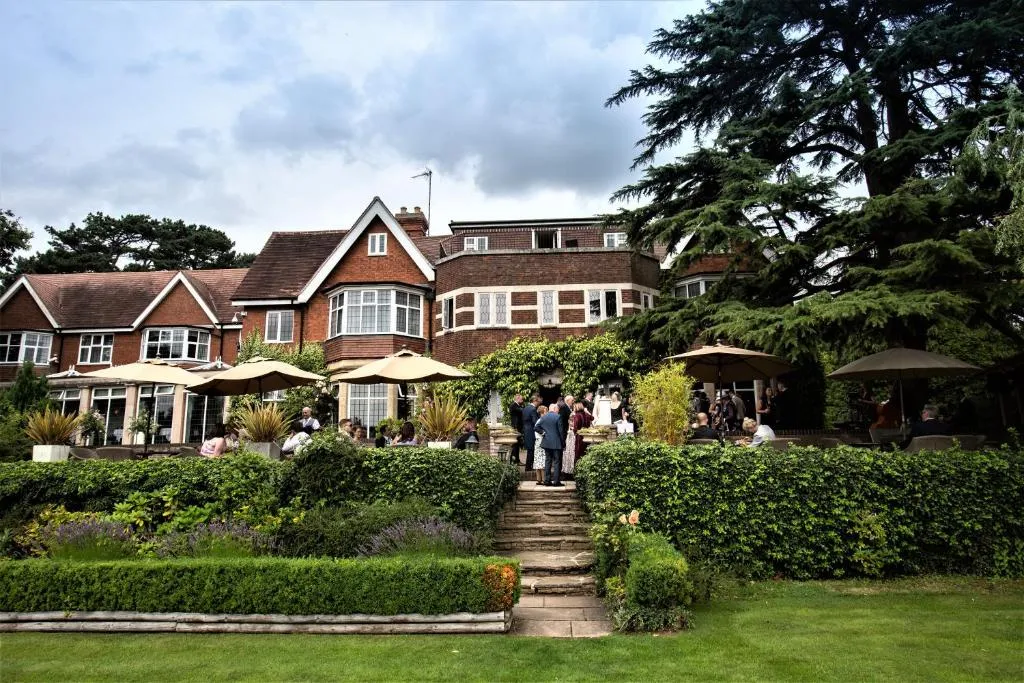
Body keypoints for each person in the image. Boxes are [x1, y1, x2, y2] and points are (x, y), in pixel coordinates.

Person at [535, 403, 564, 486]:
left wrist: (543, 433)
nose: (558, 410)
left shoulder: (544, 417)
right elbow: (561, 431)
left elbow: (536, 427)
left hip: (547, 442)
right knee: (557, 462)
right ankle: (556, 481)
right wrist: (563, 442)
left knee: (548, 461)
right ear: (554, 409)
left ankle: (547, 481)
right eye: (557, 408)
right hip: (556, 443)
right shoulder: (558, 416)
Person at [570, 400, 595, 465]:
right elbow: (592, 418)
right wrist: (587, 412)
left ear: (577, 407)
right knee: (585, 453)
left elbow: (575, 428)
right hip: (587, 436)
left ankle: (578, 468)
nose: (573, 409)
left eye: (574, 407)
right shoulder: (586, 414)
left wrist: (573, 430)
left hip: (579, 437)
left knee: (578, 454)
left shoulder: (577, 416)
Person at [522, 395, 540, 471]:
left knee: (530, 449)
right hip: (531, 431)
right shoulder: (533, 409)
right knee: (531, 449)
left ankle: (528, 466)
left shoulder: (525, 408)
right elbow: (535, 421)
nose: (538, 403)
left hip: (526, 430)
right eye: (538, 401)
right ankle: (528, 467)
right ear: (534, 401)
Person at [532, 404, 548, 483]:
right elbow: (536, 428)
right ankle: (543, 479)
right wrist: (544, 433)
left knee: (538, 459)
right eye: (546, 411)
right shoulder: (541, 420)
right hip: (541, 441)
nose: (547, 413)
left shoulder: (540, 420)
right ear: (542, 412)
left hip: (538, 441)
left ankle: (539, 479)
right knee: (542, 459)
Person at [509, 393, 524, 466]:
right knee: (515, 444)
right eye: (521, 399)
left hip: (518, 427)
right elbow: (522, 411)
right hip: (516, 427)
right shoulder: (513, 405)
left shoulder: (517, 405)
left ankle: (517, 460)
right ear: (517, 399)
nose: (522, 400)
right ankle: (513, 461)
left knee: (517, 444)